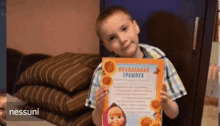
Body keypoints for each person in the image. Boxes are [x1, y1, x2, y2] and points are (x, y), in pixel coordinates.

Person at [85, 6, 187, 126]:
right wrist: (99, 107)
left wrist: (165, 103)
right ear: (106, 46)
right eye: (112, 38)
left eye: (124, 28)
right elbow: (97, 122)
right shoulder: (102, 71)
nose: (122, 39)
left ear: (135, 27)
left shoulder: (159, 60)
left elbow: (174, 113)